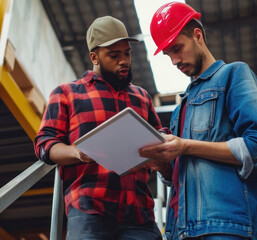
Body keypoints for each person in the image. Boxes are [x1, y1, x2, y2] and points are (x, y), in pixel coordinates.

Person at [139, 2, 257, 240]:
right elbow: (185, 174)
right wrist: (161, 163)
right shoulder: (180, 109)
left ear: (197, 35)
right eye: (168, 55)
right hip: (179, 231)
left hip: (223, 227)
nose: (174, 61)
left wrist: (186, 146)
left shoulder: (233, 75)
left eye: (177, 48)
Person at [34, 16, 163, 240]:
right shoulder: (67, 93)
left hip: (140, 214)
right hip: (90, 209)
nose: (124, 61)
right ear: (94, 57)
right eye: (114, 55)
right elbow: (45, 145)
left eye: (127, 53)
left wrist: (157, 153)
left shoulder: (142, 97)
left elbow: (162, 143)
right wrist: (77, 152)